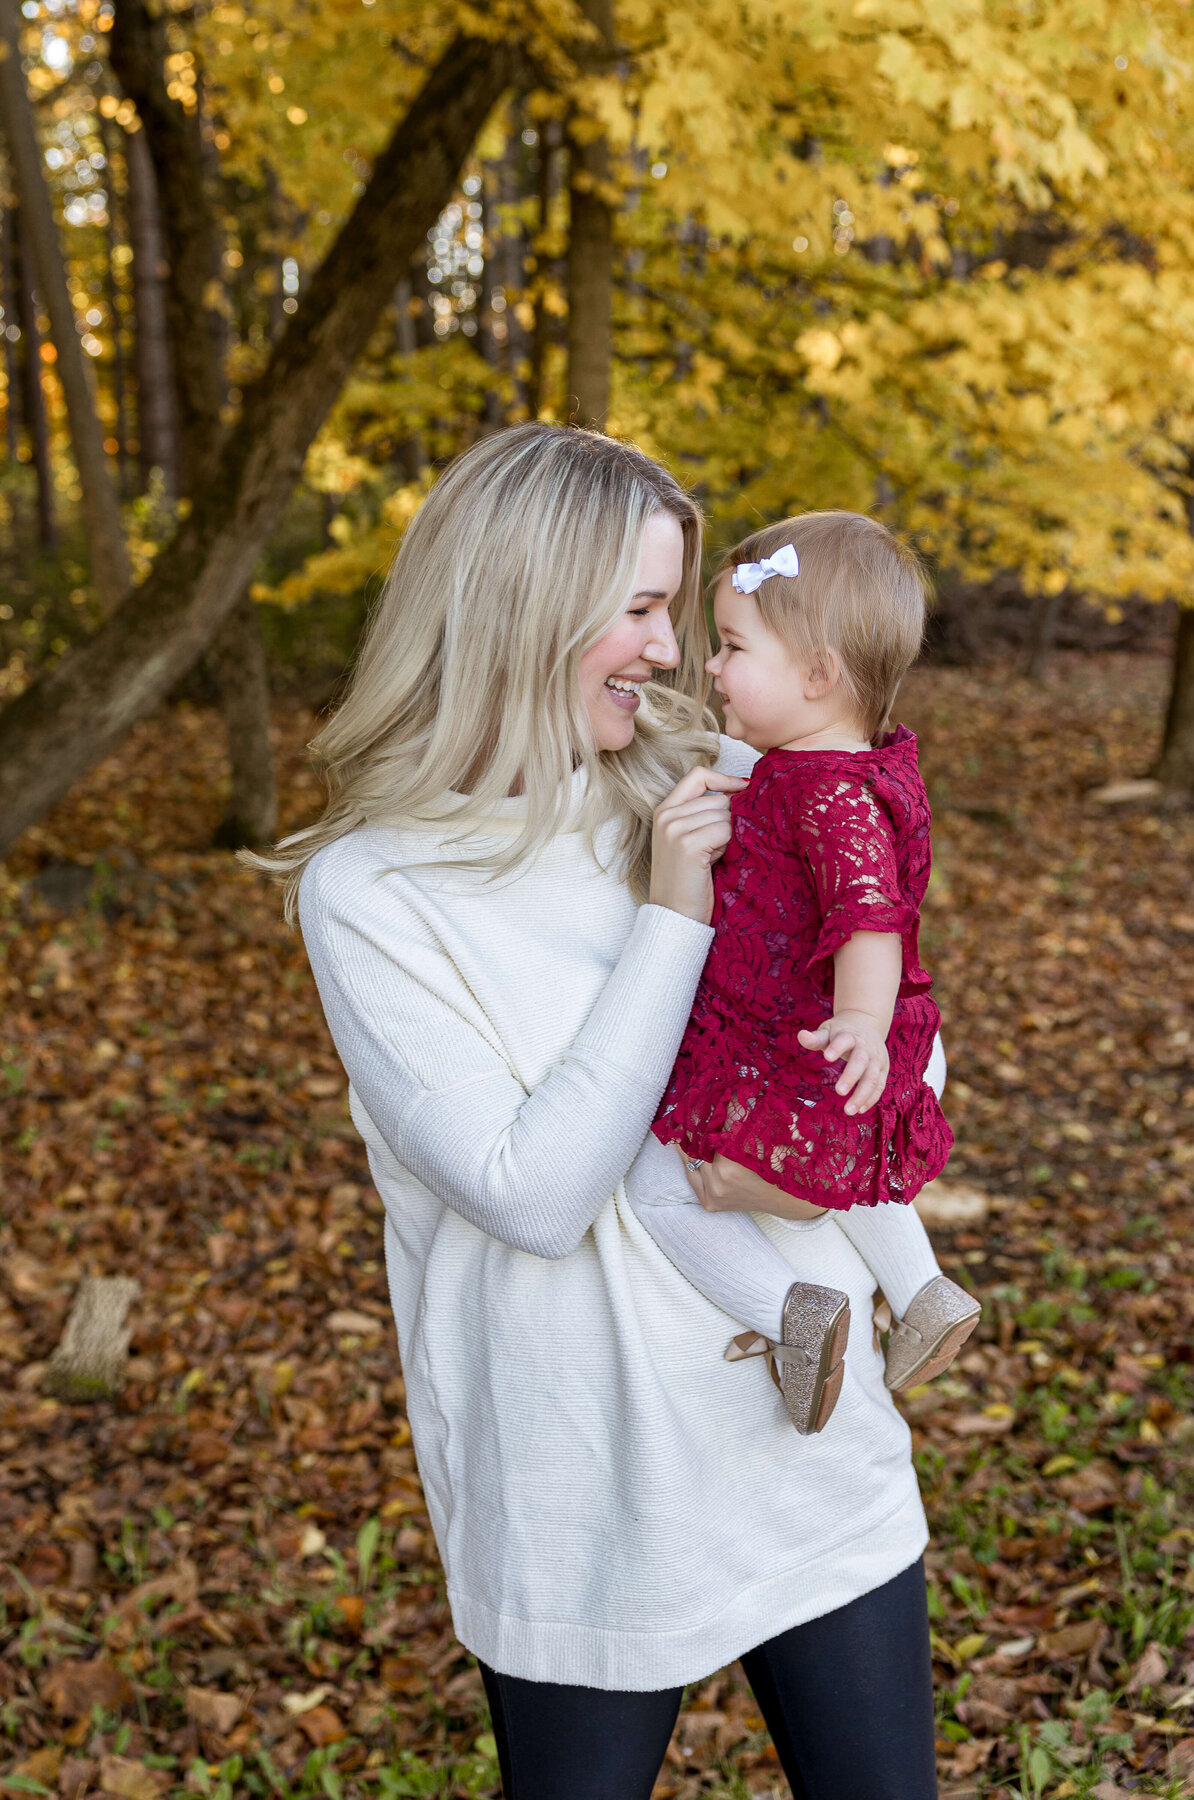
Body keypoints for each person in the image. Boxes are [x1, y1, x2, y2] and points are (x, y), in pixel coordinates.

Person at [259, 425, 940, 1799]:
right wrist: (669, 922)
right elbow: (537, 1191)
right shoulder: (377, 892)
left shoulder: (710, 780)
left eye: (678, 612)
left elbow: (902, 1022)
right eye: (639, 609)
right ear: (524, 604)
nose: (674, 653)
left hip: (803, 1449)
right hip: (585, 1492)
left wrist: (838, 1145)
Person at [625, 513, 980, 1435]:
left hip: (798, 1034)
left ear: (819, 676)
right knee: (860, 1162)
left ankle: (796, 1312)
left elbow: (872, 913)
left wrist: (861, 1020)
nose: (708, 665)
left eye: (734, 646)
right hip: (826, 1033)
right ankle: (920, 1288)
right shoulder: (831, 770)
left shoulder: (828, 794)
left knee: (662, 1189)